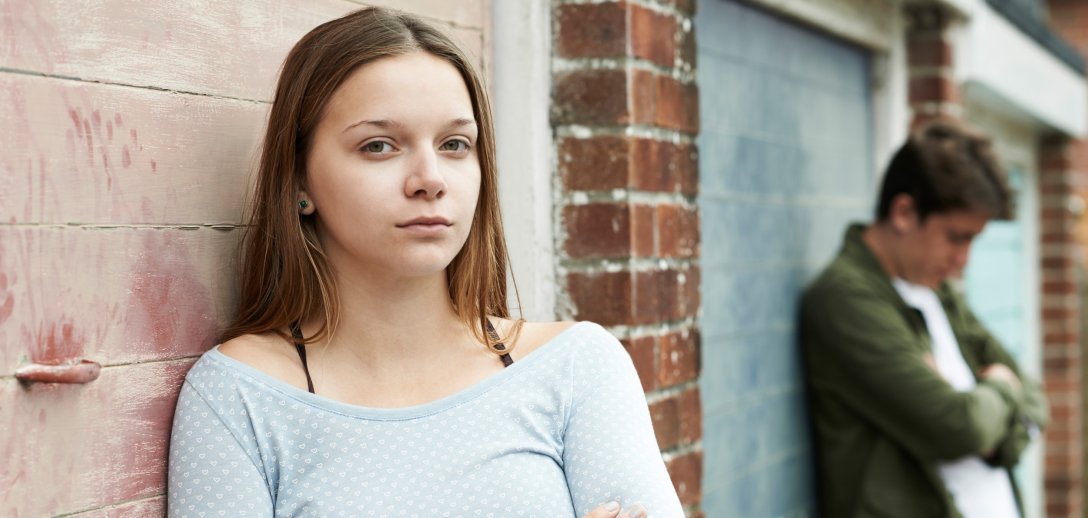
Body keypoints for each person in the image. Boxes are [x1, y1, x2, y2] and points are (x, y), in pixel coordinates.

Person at [167, 7, 683, 518]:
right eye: (379, 146)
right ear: (300, 181)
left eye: (455, 144)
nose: (429, 178)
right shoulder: (239, 396)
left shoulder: (576, 368)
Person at [800, 120, 1049, 518]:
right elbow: (958, 428)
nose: (964, 260)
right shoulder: (846, 300)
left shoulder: (937, 290)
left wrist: (990, 421)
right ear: (904, 212)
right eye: (956, 237)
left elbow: (1034, 397)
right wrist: (1000, 389)